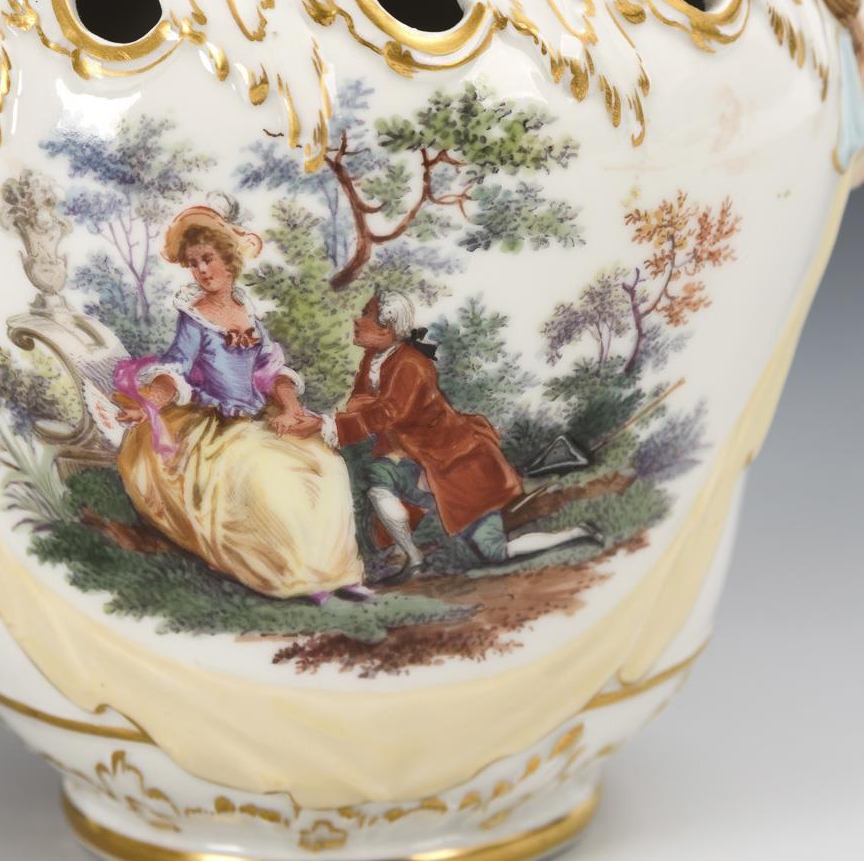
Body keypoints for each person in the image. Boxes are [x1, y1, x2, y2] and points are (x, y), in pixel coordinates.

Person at [113, 206, 367, 602]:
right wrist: (149, 404)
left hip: (257, 417)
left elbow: (270, 370)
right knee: (264, 476)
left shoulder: (248, 312)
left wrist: (289, 407)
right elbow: (175, 369)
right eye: (193, 263)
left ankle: (337, 570)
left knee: (325, 464)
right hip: (215, 423)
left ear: (229, 259)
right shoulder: (194, 318)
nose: (202, 270)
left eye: (207, 259)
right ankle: (298, 577)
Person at [285, 292, 600, 584]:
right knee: (378, 480)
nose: (356, 320)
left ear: (386, 329)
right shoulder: (373, 359)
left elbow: (388, 413)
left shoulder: (412, 365)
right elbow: (362, 403)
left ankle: (575, 531)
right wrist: (333, 418)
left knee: (492, 549)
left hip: (456, 462)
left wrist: (327, 424)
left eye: (365, 314)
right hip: (414, 458)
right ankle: (414, 559)